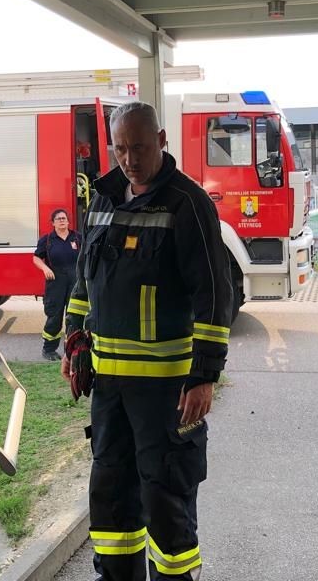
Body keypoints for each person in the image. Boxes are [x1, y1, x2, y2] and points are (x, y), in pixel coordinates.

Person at [62, 101, 232, 581]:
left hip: (166, 393)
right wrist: (74, 339)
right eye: (120, 149)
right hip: (109, 391)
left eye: (138, 147)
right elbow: (84, 282)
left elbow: (214, 294)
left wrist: (203, 376)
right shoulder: (102, 200)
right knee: (111, 498)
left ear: (160, 140)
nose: (129, 159)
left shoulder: (188, 203)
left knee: (165, 501)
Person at [33, 208, 81, 361]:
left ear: (68, 221)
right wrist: (45, 268)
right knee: (54, 316)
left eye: (64, 218)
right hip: (55, 283)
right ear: (53, 223)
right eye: (58, 219)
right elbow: (36, 258)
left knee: (74, 317)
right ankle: (49, 350)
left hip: (75, 282)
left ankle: (73, 350)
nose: (62, 220)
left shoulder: (78, 238)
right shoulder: (47, 240)